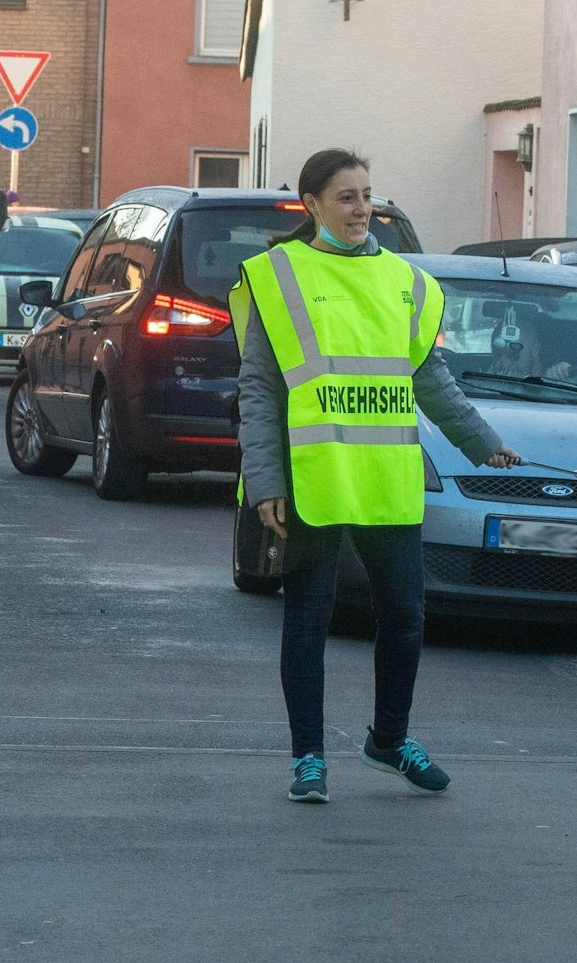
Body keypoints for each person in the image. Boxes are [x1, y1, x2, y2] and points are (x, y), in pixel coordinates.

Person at [232, 149, 522, 805]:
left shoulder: (406, 281)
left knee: (406, 617)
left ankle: (388, 740)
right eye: (346, 197)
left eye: (367, 195)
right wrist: (265, 480)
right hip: (315, 477)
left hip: (388, 479)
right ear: (311, 205)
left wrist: (481, 442)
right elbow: (257, 389)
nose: (362, 208)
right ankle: (308, 758)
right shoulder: (279, 276)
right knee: (308, 621)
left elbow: (428, 376)